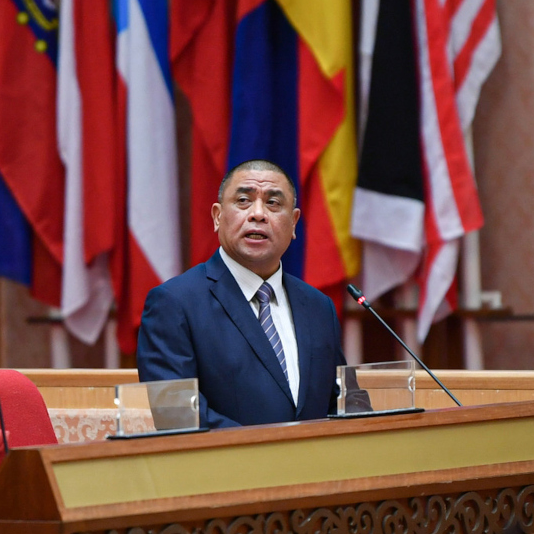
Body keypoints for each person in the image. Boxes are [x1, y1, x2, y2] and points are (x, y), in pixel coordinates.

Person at [137, 159, 367, 428]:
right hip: (225, 467)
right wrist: (269, 455)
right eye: (244, 200)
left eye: (273, 203)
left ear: (293, 224)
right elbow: (176, 414)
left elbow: (343, 402)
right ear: (217, 216)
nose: (258, 214)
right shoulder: (174, 303)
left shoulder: (318, 306)